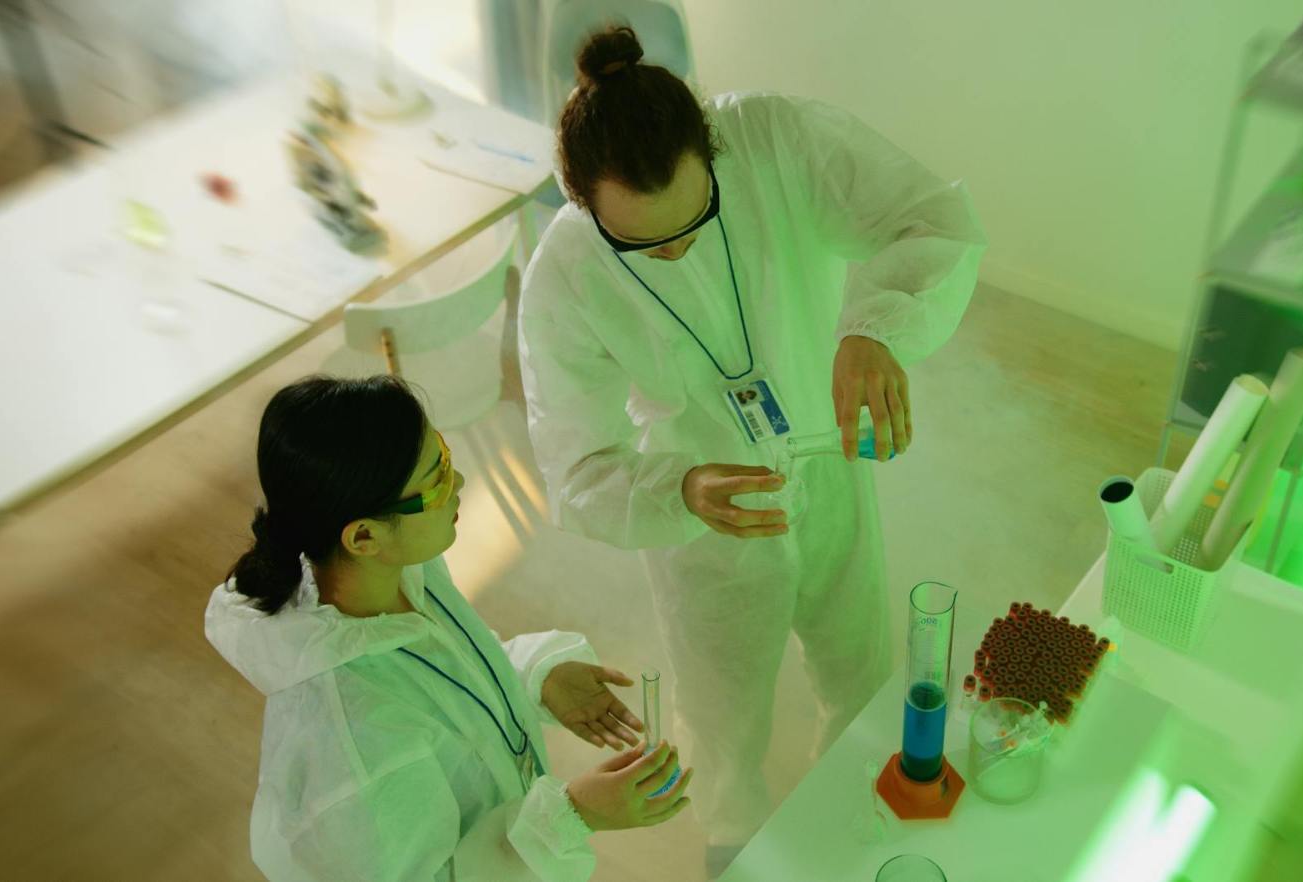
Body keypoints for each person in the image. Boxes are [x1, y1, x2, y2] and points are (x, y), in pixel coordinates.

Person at [516, 26, 986, 875]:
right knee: (721, 703)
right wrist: (679, 488)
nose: (675, 250)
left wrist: (875, 328)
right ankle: (734, 839)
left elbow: (933, 219)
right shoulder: (563, 277)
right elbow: (577, 463)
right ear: (580, 200)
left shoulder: (775, 138)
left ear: (711, 146)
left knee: (858, 656)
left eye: (693, 219)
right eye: (642, 244)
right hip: (700, 510)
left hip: (825, 453)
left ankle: (858, 802)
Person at [204, 375, 692, 881]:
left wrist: (533, 676)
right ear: (364, 535)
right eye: (434, 481)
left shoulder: (396, 573)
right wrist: (572, 817)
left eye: (443, 454)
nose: (457, 484)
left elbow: (438, 672)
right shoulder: (354, 737)